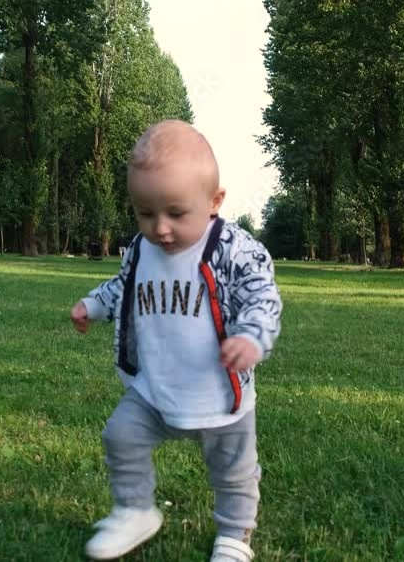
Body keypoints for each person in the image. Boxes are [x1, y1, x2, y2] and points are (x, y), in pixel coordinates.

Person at [70, 120, 282, 561]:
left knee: (234, 472)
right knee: (120, 436)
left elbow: (263, 296)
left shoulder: (232, 249)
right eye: (144, 213)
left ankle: (233, 536)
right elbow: (123, 286)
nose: (160, 228)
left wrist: (252, 337)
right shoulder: (142, 248)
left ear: (214, 201)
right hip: (156, 388)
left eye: (175, 213)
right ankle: (134, 510)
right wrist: (93, 305)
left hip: (220, 396)